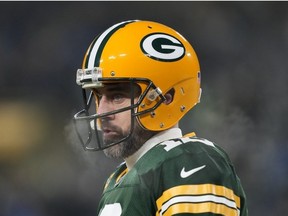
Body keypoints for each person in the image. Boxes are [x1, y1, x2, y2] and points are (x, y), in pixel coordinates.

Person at [73, 20, 248, 216]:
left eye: (117, 96)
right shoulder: (120, 177)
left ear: (166, 98)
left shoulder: (188, 161)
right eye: (98, 96)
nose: (102, 111)